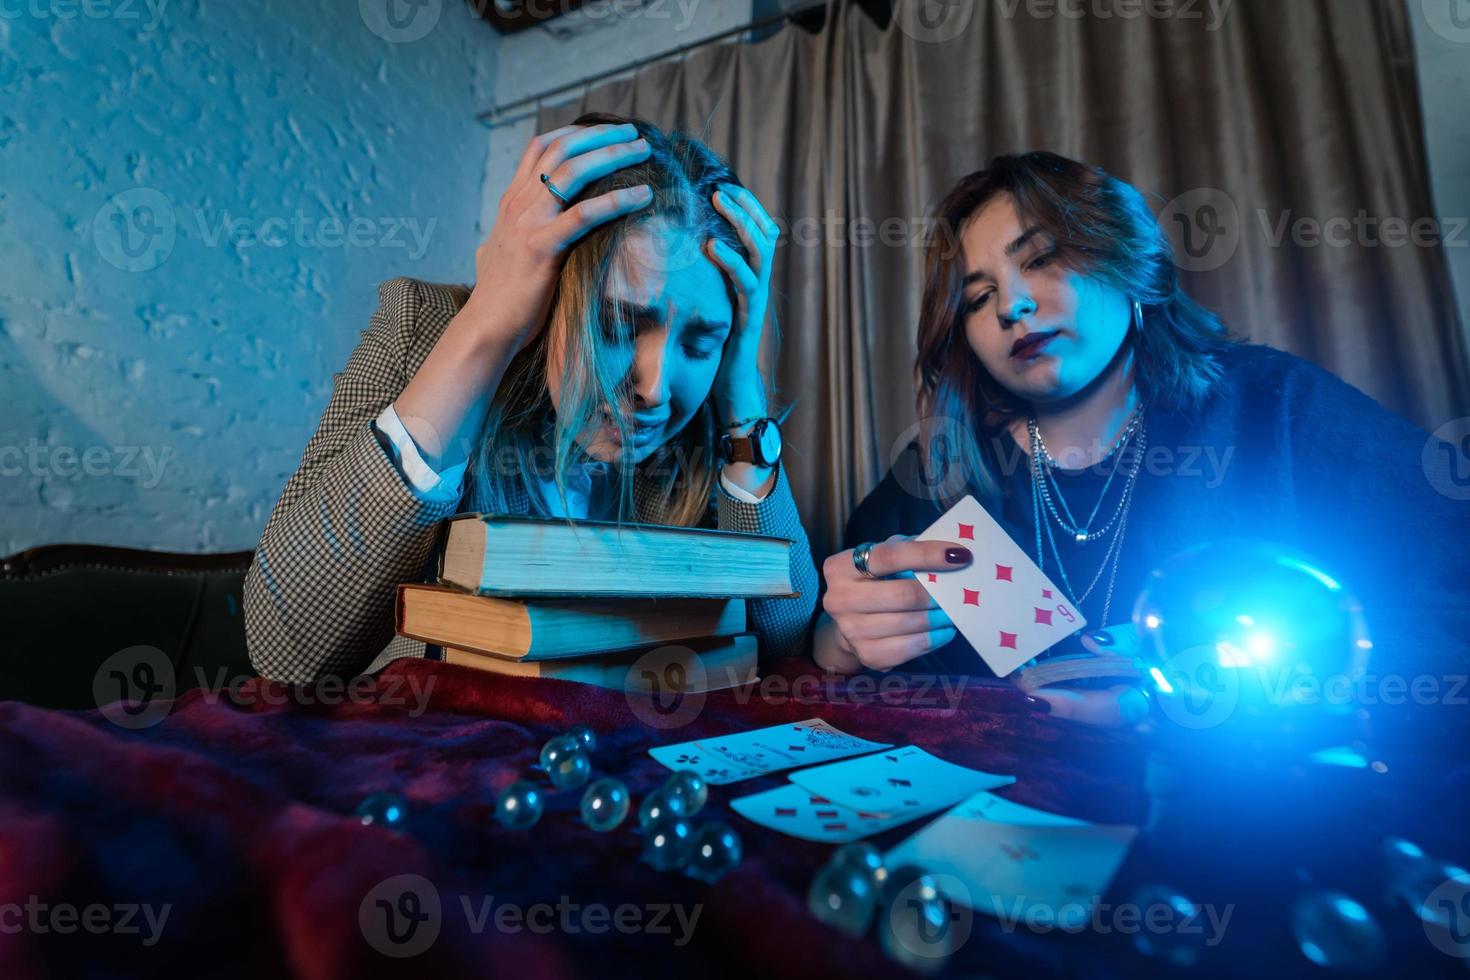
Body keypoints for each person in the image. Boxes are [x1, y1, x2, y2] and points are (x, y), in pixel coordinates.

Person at [814, 151, 1469, 726]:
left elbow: (1449, 603)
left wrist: (1224, 697)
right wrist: (839, 642)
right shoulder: (941, 466)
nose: (1011, 305)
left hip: (1241, 824)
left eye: (1040, 258)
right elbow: (833, 636)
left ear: (1129, 264)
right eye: (978, 297)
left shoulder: (1276, 408)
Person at [244, 113, 817, 684]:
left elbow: (783, 639)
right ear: (546, 291)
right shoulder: (420, 328)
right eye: (617, 322)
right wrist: (488, 325)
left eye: (699, 342)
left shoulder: (705, 431)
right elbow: (285, 651)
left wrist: (741, 382)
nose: (654, 389)